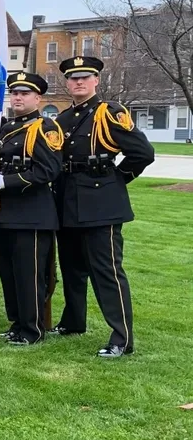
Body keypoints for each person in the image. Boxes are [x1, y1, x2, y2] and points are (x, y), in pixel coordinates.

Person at [51, 55, 154, 357]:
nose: (79, 82)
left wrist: (118, 179)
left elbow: (142, 153)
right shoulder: (63, 119)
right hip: (67, 201)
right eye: (73, 78)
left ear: (96, 80)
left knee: (106, 271)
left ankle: (122, 338)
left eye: (85, 77)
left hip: (101, 203)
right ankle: (73, 322)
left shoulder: (108, 113)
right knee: (71, 268)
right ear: (67, 83)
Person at [0, 72, 63, 345]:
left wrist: (6, 181)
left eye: (24, 93)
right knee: (9, 272)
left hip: (32, 214)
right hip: (5, 212)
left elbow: (48, 170)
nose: (17, 97)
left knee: (29, 275)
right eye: (14, 92)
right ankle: (17, 323)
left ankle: (33, 329)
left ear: (37, 98)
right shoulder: (5, 128)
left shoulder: (45, 128)